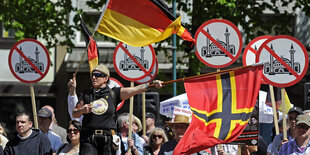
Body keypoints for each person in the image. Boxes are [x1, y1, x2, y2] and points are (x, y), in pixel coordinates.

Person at [72, 64, 163, 155]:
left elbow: (135, 89)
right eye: (92, 75)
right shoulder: (86, 94)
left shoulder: (114, 93)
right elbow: (74, 114)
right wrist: (82, 110)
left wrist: (152, 84)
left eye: (98, 75)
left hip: (107, 139)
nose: (94, 77)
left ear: (106, 78)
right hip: (88, 139)